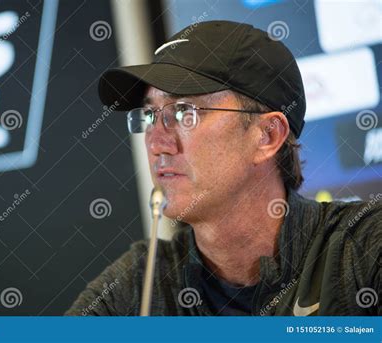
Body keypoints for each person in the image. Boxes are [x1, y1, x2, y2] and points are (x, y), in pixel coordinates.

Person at [66, 20, 381, 316]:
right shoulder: (139, 285)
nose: (157, 143)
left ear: (267, 136)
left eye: (184, 112)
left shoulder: (364, 248)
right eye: (150, 116)